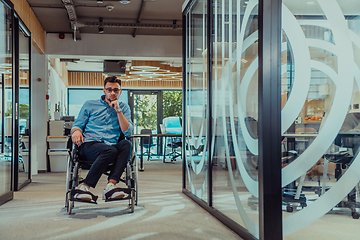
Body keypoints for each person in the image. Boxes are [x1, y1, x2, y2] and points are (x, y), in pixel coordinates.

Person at [71, 76, 134, 201]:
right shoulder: (90, 104)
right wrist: (76, 131)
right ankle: (84, 186)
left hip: (111, 147)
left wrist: (118, 111)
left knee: (126, 145)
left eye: (116, 90)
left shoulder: (124, 107)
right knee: (110, 150)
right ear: (104, 90)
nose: (112, 93)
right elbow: (78, 124)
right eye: (109, 89)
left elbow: (128, 131)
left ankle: (110, 186)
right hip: (89, 146)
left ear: (120, 91)